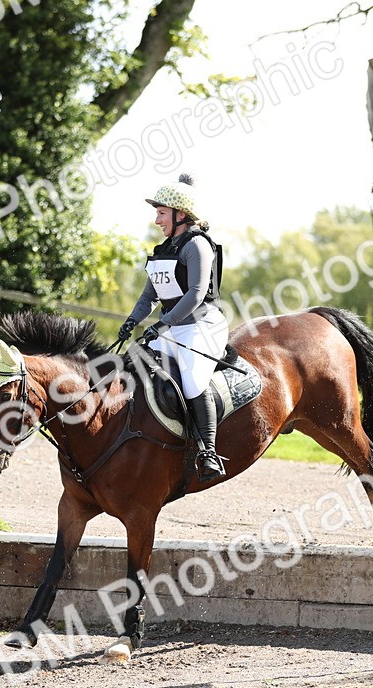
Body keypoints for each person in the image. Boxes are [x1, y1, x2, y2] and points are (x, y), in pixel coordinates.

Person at [117, 173, 229, 481]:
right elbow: (148, 296)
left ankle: (208, 450)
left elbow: (195, 293)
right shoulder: (162, 251)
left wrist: (163, 324)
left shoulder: (198, 246)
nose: (156, 220)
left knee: (193, 381)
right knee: (132, 365)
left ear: (181, 214)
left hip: (201, 325)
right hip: (170, 328)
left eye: (161, 213)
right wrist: (132, 322)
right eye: (157, 213)